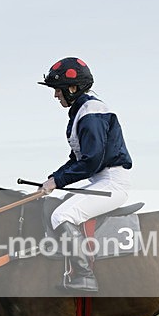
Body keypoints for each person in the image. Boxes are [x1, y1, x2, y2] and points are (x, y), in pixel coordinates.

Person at [38, 57, 133, 292]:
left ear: (72, 88)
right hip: (101, 179)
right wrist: (52, 179)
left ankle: (85, 274)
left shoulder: (91, 112)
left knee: (61, 217)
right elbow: (77, 160)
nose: (55, 95)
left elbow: (92, 161)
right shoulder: (83, 111)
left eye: (57, 90)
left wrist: (58, 181)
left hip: (111, 182)